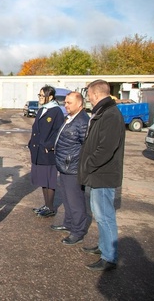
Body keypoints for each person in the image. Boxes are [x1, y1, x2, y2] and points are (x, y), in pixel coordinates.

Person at [79, 79, 125, 271]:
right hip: (98, 174)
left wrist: (88, 164)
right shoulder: (103, 113)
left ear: (96, 94)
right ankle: (103, 247)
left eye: (89, 94)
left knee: (105, 216)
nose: (88, 98)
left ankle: (109, 257)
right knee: (99, 214)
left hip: (103, 175)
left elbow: (105, 149)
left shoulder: (111, 115)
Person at [52, 92, 89, 245]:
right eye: (65, 102)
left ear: (80, 104)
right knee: (66, 198)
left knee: (75, 201)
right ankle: (68, 223)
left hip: (73, 167)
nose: (66, 105)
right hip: (65, 166)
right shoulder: (71, 118)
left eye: (69, 103)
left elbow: (86, 146)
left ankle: (78, 231)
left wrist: (75, 162)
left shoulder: (82, 121)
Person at [28, 85, 65, 218]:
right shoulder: (42, 109)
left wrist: (49, 146)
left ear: (50, 97)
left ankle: (50, 207)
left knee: (49, 180)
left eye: (42, 96)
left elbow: (59, 131)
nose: (40, 98)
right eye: (39, 95)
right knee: (43, 180)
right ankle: (46, 205)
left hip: (47, 152)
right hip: (38, 150)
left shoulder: (56, 111)